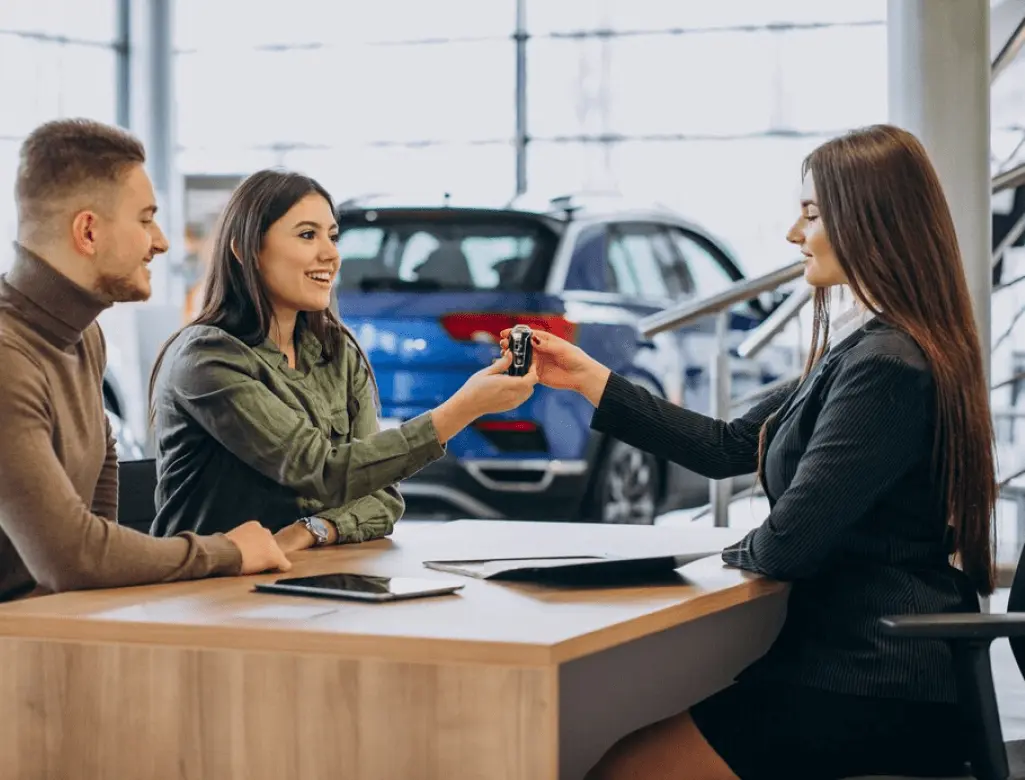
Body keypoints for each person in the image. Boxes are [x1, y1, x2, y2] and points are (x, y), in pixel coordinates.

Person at [505, 124, 996, 780]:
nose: (794, 236)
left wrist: (720, 554)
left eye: (811, 214)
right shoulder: (870, 348)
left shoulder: (887, 363)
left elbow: (789, 543)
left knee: (624, 771)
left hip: (873, 679)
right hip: (859, 664)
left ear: (868, 221)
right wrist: (586, 376)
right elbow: (727, 446)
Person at [148, 169, 537, 553]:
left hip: (307, 581)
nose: (331, 253)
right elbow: (323, 472)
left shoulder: (337, 350)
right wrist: (463, 409)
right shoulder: (206, 358)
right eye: (307, 235)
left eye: (332, 237)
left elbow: (382, 498)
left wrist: (314, 529)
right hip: (210, 593)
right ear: (245, 249)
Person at [0, 119, 292, 602]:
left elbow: (101, 474)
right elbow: (72, 556)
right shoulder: (9, 356)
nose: (161, 240)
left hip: (47, 635)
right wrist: (228, 552)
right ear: (88, 231)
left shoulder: (84, 336)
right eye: (145, 218)